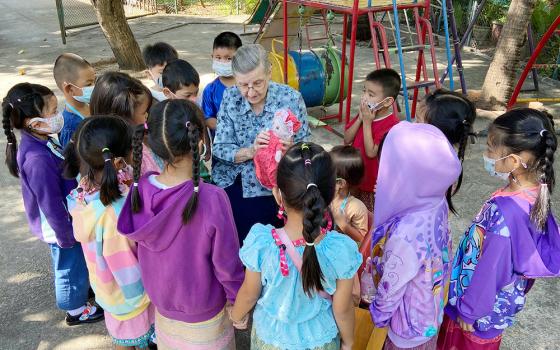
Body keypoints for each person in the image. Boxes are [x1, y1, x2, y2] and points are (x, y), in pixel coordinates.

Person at [117, 99, 244, 349]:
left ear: (152, 143)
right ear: (199, 141)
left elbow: (134, 248)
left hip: (162, 310)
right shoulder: (212, 198)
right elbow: (227, 263)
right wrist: (237, 299)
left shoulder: (140, 188)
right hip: (206, 315)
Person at [438, 108, 560, 350]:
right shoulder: (534, 193)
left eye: (491, 149)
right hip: (493, 307)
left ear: (514, 161)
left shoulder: (506, 212)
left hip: (475, 315)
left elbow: (491, 269)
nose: (486, 154)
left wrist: (469, 311)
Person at [230, 142, 362, 350]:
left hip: (271, 339)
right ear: (328, 196)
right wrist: (348, 342)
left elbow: (249, 293)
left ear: (278, 195)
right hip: (320, 339)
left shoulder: (262, 244)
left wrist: (236, 316)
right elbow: (343, 308)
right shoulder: (341, 250)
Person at [1, 83, 103, 325]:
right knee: (68, 266)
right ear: (33, 122)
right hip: (58, 225)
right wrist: (65, 234)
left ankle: (81, 292)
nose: (58, 116)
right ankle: (75, 309)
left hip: (65, 218)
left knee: (76, 261)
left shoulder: (40, 139)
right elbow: (50, 203)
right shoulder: (36, 159)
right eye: (53, 111)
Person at [64, 116, 155, 349]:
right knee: (130, 341)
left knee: (122, 339)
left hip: (106, 289)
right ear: (117, 161)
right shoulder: (116, 212)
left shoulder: (83, 190)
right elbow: (125, 264)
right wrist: (145, 296)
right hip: (130, 297)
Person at [369, 121, 462, 350]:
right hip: (429, 312)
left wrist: (377, 315)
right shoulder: (436, 200)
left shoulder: (405, 235)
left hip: (406, 329)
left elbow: (392, 287)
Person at [213, 44, 310, 243]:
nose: (250, 92)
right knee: (243, 242)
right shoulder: (231, 98)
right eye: (243, 84)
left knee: (279, 244)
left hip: (279, 188)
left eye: (257, 83)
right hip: (240, 184)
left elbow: (308, 149)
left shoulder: (290, 98)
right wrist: (251, 151)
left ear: (269, 73)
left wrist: (291, 149)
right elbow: (219, 148)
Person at [344, 68, 401, 212]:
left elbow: (371, 152)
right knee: (351, 212)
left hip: (371, 183)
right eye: (364, 91)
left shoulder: (391, 125)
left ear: (387, 101)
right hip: (354, 175)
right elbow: (347, 139)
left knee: (367, 217)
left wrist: (367, 123)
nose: (364, 97)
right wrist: (360, 120)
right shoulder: (365, 113)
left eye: (371, 94)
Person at [416, 89, 477, 213]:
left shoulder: (440, 164)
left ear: (440, 131)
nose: (413, 125)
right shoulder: (441, 152)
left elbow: (416, 197)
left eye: (418, 121)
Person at [89, 71, 162, 174]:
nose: (147, 116)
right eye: (144, 113)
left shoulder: (143, 139)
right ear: (123, 121)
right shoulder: (126, 161)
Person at [202, 31, 242, 132]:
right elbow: (208, 118)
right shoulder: (210, 90)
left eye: (229, 58)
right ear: (212, 57)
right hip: (222, 142)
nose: (223, 62)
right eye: (218, 58)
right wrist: (228, 130)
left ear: (240, 58)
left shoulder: (247, 85)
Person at [53, 53, 96, 147]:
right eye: (88, 84)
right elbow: (72, 159)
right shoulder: (69, 128)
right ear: (69, 89)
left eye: (94, 81)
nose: (94, 87)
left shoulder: (91, 105)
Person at [329, 145, 369, 244]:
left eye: (326, 174)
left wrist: (343, 225)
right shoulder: (325, 194)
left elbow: (362, 240)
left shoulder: (356, 207)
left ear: (340, 183)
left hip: (341, 253)